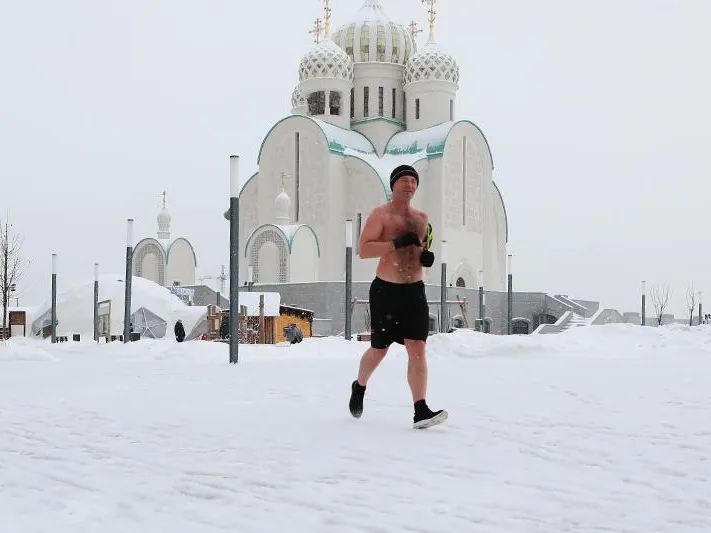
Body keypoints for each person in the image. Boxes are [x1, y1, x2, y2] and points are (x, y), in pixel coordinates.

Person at [348, 164, 448, 429]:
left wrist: (427, 258)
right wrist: (394, 244)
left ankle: (420, 410)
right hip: (386, 291)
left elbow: (424, 248)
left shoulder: (422, 217)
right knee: (379, 350)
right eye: (404, 180)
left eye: (414, 181)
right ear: (393, 185)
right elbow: (364, 250)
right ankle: (359, 386)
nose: (410, 185)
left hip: (414, 292)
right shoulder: (380, 215)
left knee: (418, 349)